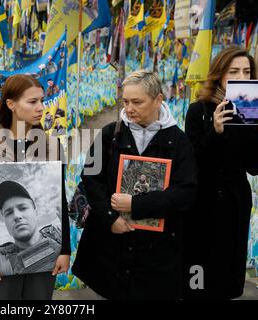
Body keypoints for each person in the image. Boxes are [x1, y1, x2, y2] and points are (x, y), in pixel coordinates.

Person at [72, 70, 198, 300]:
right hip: (112, 248)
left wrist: (135, 204)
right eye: (126, 102)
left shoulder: (178, 141)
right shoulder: (110, 134)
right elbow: (90, 179)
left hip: (157, 253)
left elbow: (186, 192)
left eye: (137, 102)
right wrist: (111, 218)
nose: (129, 109)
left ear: (158, 100)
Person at [0, 74, 70, 300]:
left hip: (45, 266)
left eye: (42, 101)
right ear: (11, 104)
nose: (41, 108)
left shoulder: (51, 146)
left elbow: (61, 202)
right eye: (32, 102)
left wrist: (65, 250)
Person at [184, 45, 258, 300]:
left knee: (228, 276)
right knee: (198, 276)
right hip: (202, 204)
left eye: (247, 71)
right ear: (219, 74)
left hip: (235, 203)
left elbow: (254, 167)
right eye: (234, 71)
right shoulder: (198, 110)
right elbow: (192, 163)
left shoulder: (254, 111)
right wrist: (216, 131)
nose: (241, 77)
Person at [0, 181, 62, 276]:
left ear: (35, 212)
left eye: (23, 208)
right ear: (4, 220)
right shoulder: (0, 261)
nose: (16, 216)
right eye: (9, 213)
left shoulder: (60, 236)